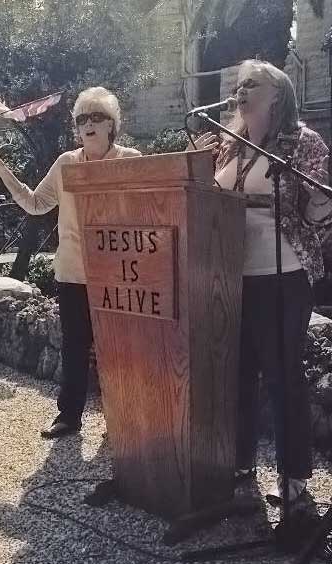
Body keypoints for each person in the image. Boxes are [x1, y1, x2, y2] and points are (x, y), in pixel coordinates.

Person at [192, 60, 332, 505]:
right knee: (237, 375)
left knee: (280, 375)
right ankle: (241, 464)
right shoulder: (229, 146)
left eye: (252, 84)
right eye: (238, 85)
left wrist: (317, 204)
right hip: (230, 277)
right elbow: (204, 199)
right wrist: (195, 163)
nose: (241, 90)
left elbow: (316, 215)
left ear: (278, 94)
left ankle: (294, 477)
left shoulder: (301, 142)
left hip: (282, 274)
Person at [0, 87, 142, 439]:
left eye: (96, 117)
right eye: (82, 118)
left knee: (119, 348)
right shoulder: (66, 163)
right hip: (73, 271)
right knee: (74, 346)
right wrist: (3, 172)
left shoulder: (129, 159)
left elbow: (146, 211)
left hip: (117, 274)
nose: (88, 124)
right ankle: (69, 417)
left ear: (111, 124)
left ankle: (123, 419)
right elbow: (36, 204)